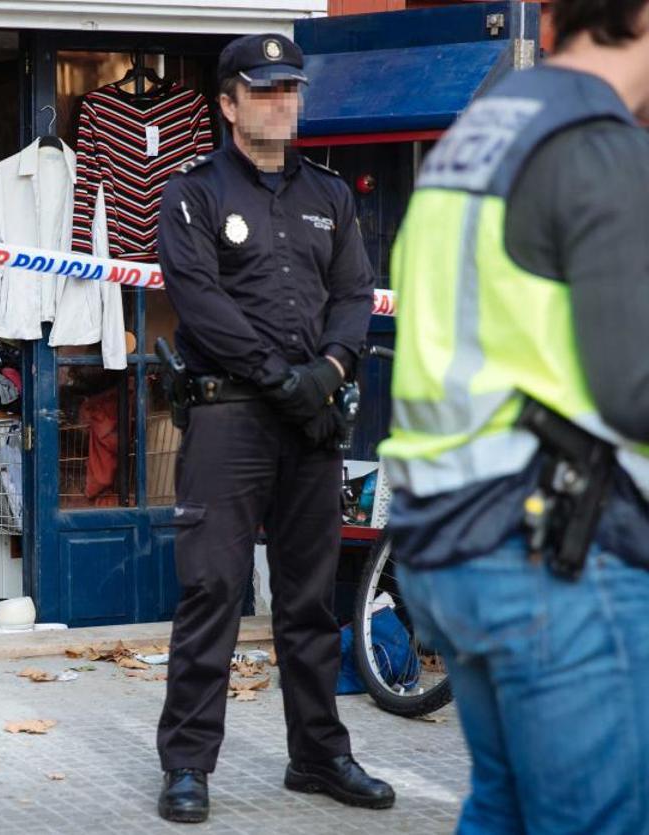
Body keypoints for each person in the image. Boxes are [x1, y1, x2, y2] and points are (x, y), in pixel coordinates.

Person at [382, 1, 649, 832]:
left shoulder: (473, 139)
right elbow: (632, 388)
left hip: (447, 541)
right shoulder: (602, 149)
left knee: (503, 807)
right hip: (560, 555)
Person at [154, 33, 392, 824]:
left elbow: (354, 294)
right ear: (228, 104)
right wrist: (279, 376)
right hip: (230, 414)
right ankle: (188, 764)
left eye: (289, 88)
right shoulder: (192, 195)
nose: (280, 101)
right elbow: (201, 303)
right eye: (262, 90)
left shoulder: (330, 195)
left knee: (310, 599)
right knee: (213, 589)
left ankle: (318, 755)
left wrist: (330, 369)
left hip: (313, 416)